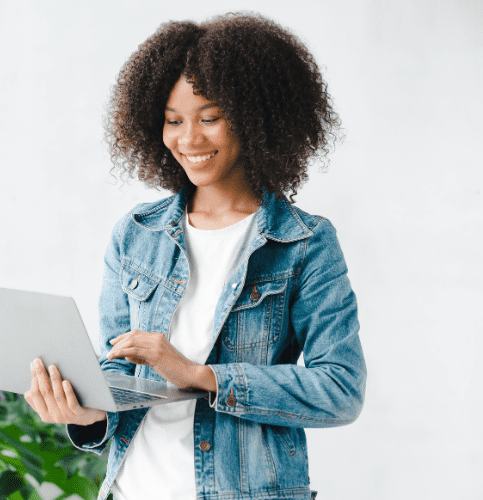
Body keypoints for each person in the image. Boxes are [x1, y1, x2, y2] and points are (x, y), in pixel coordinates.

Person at [24, 12, 366, 500]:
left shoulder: (304, 243)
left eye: (209, 118)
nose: (189, 139)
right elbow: (119, 369)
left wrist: (200, 376)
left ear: (255, 117)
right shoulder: (136, 235)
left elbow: (341, 390)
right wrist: (86, 414)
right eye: (172, 121)